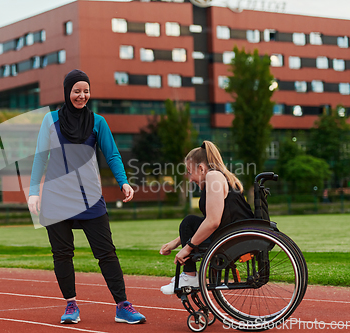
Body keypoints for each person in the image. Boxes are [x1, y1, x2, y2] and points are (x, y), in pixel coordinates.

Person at [27, 69, 146, 324]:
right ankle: (71, 305)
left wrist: (123, 181)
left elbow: (112, 154)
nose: (82, 96)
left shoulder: (98, 122)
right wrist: (34, 191)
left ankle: (123, 305)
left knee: (106, 253)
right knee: (62, 254)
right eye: (77, 91)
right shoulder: (50, 121)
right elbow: (40, 157)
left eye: (86, 91)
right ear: (67, 91)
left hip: (89, 198)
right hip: (56, 199)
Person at [159, 140, 253, 294]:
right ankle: (189, 276)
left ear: (201, 168)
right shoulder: (219, 176)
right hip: (235, 232)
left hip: (233, 236)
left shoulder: (213, 176)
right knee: (189, 223)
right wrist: (176, 243)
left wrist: (187, 249)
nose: (190, 179)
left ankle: (189, 276)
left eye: (190, 172)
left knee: (189, 221)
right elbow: (208, 222)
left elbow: (213, 222)